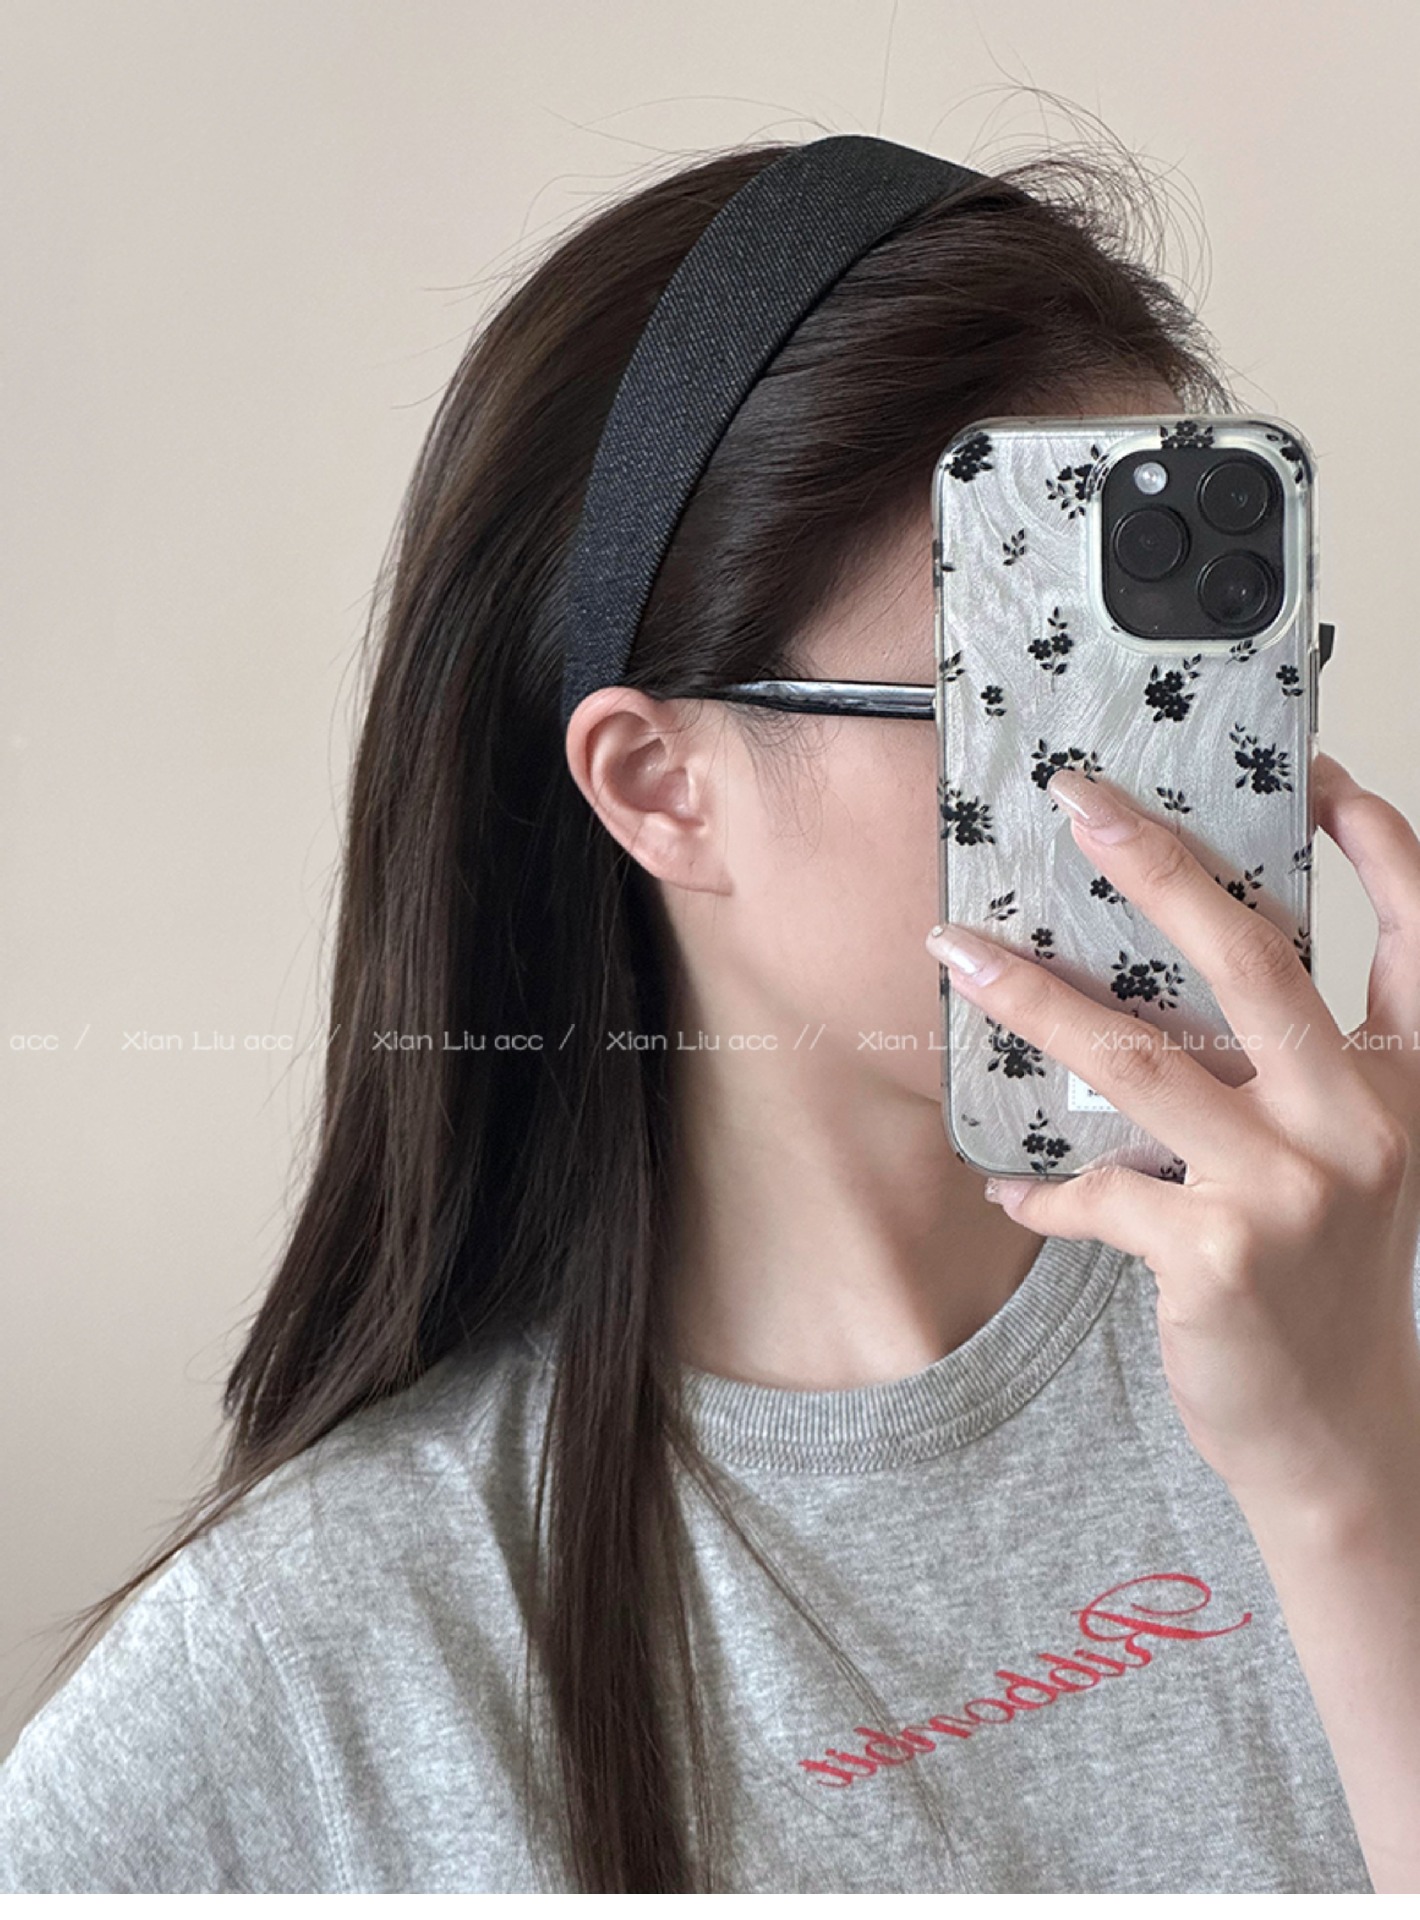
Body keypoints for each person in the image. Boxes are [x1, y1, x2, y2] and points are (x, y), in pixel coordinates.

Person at [2, 132, 1419, 1897]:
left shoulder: (1370, 1311)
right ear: (661, 786)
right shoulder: (312, 1665)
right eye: (1027, 699)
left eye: (1198, 684)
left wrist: (1347, 1476)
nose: (1163, 793)